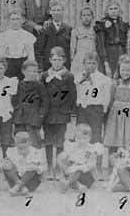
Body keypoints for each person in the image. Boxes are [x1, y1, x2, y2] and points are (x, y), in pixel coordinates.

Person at [42, 46, 76, 180]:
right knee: (49, 140)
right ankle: (50, 166)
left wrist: (71, 112)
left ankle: (59, 167)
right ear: (50, 60)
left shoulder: (68, 76)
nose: (57, 62)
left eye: (59, 60)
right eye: (54, 59)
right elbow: (42, 94)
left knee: (60, 141)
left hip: (62, 112)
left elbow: (72, 95)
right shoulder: (45, 75)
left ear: (64, 60)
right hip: (48, 113)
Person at [104, 54, 130, 154]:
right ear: (118, 69)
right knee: (116, 133)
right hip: (117, 113)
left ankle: (128, 154)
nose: (125, 73)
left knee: (129, 135)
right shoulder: (115, 83)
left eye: (128, 70)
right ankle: (115, 155)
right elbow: (111, 99)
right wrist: (117, 107)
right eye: (123, 70)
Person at [76, 51, 112, 145]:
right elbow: (77, 92)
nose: (91, 66)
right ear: (84, 64)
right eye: (88, 63)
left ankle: (97, 157)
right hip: (83, 109)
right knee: (82, 133)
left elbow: (106, 95)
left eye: (93, 63)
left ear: (97, 64)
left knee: (95, 135)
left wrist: (104, 109)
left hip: (96, 109)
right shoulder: (79, 77)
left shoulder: (103, 79)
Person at [0, 58, 19, 162]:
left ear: (5, 69)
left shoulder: (10, 81)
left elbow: (12, 98)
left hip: (6, 113)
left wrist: (10, 111)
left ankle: (6, 163)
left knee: (6, 139)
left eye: (0, 68)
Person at [13, 60, 48, 148]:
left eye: (35, 71)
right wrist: (17, 111)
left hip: (33, 119)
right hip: (21, 118)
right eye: (29, 71)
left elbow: (45, 102)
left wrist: (40, 116)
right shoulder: (19, 85)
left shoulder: (39, 86)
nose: (32, 74)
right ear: (23, 71)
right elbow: (15, 100)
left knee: (34, 143)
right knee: (20, 142)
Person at [0, 131, 47, 195]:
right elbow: (4, 166)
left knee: (32, 166)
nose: (22, 150)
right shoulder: (11, 152)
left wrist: (37, 168)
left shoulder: (36, 152)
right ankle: (21, 186)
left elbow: (44, 167)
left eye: (24, 148)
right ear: (16, 144)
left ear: (30, 143)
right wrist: (3, 166)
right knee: (7, 164)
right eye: (19, 148)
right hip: (14, 181)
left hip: (30, 183)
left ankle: (18, 186)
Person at [0, 9, 36, 80]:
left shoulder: (27, 35)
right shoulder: (3, 36)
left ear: (21, 20)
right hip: (9, 64)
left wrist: (30, 69)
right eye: (13, 19)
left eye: (17, 19)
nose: (15, 22)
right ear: (9, 21)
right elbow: (0, 55)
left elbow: (31, 56)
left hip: (23, 63)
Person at [58, 123, 99, 192]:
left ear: (89, 138)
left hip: (86, 175)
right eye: (78, 138)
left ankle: (67, 183)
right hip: (73, 174)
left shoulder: (90, 150)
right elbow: (68, 157)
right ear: (75, 138)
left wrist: (77, 167)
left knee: (77, 170)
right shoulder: (73, 147)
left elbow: (90, 165)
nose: (81, 141)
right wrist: (65, 159)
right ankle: (78, 186)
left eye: (84, 138)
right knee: (63, 162)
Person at [94, 0, 128, 77]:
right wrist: (105, 62)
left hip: (121, 55)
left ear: (119, 10)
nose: (113, 11)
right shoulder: (102, 25)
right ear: (107, 11)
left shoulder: (124, 25)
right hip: (108, 56)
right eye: (111, 9)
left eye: (115, 8)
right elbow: (101, 46)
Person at [35, 0, 71, 71]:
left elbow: (70, 49)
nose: (56, 13)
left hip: (64, 65)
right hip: (48, 65)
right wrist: (41, 65)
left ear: (62, 12)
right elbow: (40, 49)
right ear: (50, 12)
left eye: (58, 10)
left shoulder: (68, 28)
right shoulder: (45, 28)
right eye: (54, 10)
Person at [70, 6, 102, 77]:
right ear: (80, 17)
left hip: (92, 59)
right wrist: (73, 60)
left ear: (92, 17)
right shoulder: (76, 31)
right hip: (79, 60)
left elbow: (98, 46)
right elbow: (72, 49)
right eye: (84, 15)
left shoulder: (96, 31)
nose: (86, 17)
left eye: (88, 15)